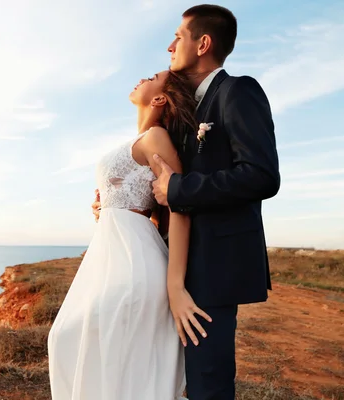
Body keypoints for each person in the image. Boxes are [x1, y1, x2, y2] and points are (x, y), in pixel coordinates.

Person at [48, 69, 210, 399]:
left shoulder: (156, 138)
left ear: (159, 98)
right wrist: (108, 208)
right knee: (72, 339)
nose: (141, 78)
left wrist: (175, 286)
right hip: (113, 251)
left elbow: (180, 209)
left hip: (135, 261)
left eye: (152, 76)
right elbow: (153, 208)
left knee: (104, 345)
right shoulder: (140, 140)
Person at [150, 5, 281, 400]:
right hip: (173, 261)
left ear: (203, 43)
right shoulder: (187, 110)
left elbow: (261, 175)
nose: (170, 45)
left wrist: (179, 190)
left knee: (208, 383)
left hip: (214, 269)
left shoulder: (238, 91)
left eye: (179, 35)